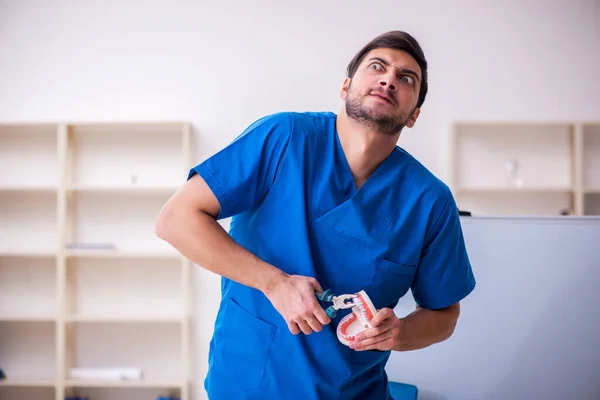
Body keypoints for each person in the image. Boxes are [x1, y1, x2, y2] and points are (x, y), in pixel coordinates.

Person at [155, 30, 476, 399]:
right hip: (250, 384)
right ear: (345, 87)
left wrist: (399, 333)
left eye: (407, 79)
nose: (389, 79)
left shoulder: (430, 201)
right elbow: (175, 219)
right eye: (377, 66)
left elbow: (444, 314)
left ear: (414, 114)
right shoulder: (284, 138)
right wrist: (273, 283)